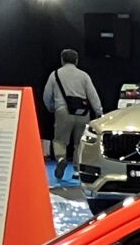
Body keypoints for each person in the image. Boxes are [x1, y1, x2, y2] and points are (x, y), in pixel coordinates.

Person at [40, 48, 102, 179]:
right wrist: (99, 111)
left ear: (62, 60)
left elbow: (47, 95)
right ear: (77, 60)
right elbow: (93, 95)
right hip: (83, 112)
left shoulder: (55, 74)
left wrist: (51, 107)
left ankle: (61, 159)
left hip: (63, 111)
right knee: (79, 143)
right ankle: (76, 170)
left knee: (60, 140)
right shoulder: (84, 75)